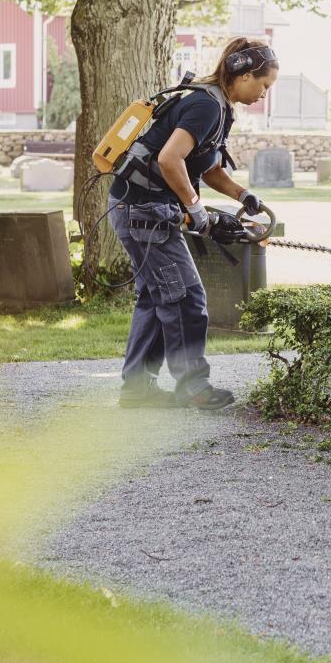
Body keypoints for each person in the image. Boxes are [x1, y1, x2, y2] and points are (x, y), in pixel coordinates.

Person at [106, 37, 278, 410]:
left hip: (139, 209)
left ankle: (137, 389)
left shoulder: (219, 107)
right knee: (185, 298)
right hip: (143, 211)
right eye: (264, 85)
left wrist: (241, 194)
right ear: (244, 74)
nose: (264, 94)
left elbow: (206, 166)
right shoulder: (205, 105)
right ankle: (193, 388)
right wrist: (196, 209)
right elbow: (170, 159)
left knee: (156, 298)